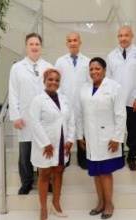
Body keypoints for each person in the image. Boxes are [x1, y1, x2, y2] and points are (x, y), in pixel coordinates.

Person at [76, 57, 126, 219]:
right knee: (96, 173)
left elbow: (120, 114)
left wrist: (117, 137)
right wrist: (79, 135)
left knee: (105, 172)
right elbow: (79, 114)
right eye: (91, 69)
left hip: (108, 138)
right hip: (91, 137)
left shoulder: (114, 87)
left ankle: (109, 203)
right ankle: (100, 202)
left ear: (104, 70)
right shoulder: (84, 88)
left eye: (97, 68)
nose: (94, 72)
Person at [9, 32, 53, 195]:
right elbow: (13, 92)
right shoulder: (17, 68)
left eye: (37, 44)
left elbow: (54, 90)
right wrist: (15, 115)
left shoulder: (48, 66)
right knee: (25, 151)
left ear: (41, 47)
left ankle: (46, 180)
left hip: (44, 117)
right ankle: (26, 181)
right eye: (31, 44)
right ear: (26, 47)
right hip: (25, 117)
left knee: (44, 149)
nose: (34, 47)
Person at [29, 68, 75, 220]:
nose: (53, 82)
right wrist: (45, 143)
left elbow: (71, 120)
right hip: (45, 144)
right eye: (50, 79)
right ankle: (43, 208)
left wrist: (69, 140)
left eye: (56, 80)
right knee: (44, 175)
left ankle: (56, 203)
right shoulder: (38, 100)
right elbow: (34, 122)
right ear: (44, 80)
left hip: (62, 143)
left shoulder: (65, 99)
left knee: (59, 172)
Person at [106, 25, 136, 171]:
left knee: (133, 130)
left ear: (132, 36)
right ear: (117, 37)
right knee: (117, 129)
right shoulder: (111, 55)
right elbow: (108, 79)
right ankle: (118, 157)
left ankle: (132, 158)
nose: (123, 38)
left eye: (126, 35)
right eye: (120, 36)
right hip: (115, 101)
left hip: (132, 100)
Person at [54, 32, 91, 169]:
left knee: (83, 130)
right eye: (70, 41)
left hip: (82, 103)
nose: (73, 43)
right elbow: (55, 81)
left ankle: (83, 158)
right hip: (65, 102)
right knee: (66, 130)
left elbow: (90, 83)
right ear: (67, 44)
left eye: (75, 40)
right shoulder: (60, 61)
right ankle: (66, 156)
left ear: (80, 43)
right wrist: (58, 100)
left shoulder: (87, 62)